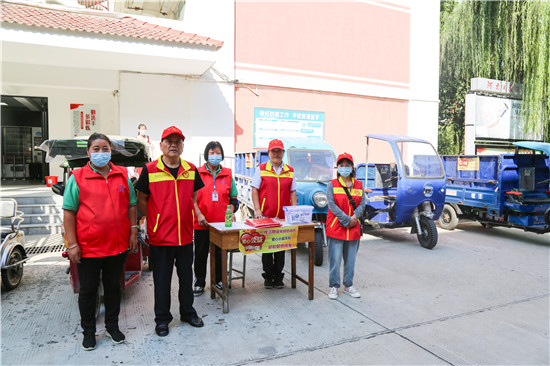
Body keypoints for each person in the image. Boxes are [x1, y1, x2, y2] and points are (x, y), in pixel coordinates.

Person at [62, 133, 138, 351]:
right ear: (88, 152)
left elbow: (132, 204)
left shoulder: (122, 175)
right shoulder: (77, 177)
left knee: (114, 288)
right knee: (88, 290)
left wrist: (133, 231)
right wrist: (72, 244)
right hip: (88, 248)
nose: (101, 153)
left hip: (117, 246)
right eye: (96, 149)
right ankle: (88, 331)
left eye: (105, 148)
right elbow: (68, 213)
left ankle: (112, 327)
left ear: (111, 151)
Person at [135, 126, 205, 337]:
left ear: (183, 145)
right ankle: (162, 319)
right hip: (161, 237)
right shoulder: (150, 169)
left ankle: (187, 313)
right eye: (169, 141)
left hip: (185, 235)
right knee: (162, 280)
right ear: (161, 145)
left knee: (186, 278)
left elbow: (192, 197)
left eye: (178, 141)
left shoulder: (191, 169)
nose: (174, 145)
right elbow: (141, 199)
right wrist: (154, 220)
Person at [193, 141, 239, 296]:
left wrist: (231, 211)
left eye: (217, 152)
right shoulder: (197, 173)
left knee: (220, 253)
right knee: (200, 254)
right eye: (211, 153)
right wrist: (199, 214)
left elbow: (233, 199)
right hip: (202, 222)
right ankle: (199, 282)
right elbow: (191, 199)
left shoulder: (227, 174)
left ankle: (218, 280)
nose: (214, 155)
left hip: (221, 225)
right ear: (206, 155)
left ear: (222, 155)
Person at [251, 139, 297, 289]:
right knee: (267, 249)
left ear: (283, 153)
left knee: (280, 248)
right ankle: (267, 276)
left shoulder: (290, 170)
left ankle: (278, 276)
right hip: (266, 217)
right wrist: (257, 210)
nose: (276, 154)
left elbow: (292, 192)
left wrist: (294, 212)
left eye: (279, 151)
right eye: (273, 151)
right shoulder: (261, 168)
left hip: (283, 218)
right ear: (269, 153)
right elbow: (254, 189)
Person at [326, 152, 367, 300]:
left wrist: (354, 217)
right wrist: (346, 219)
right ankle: (334, 287)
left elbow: (362, 203)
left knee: (350, 260)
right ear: (338, 168)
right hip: (337, 227)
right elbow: (332, 204)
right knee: (335, 260)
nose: (344, 168)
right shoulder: (332, 184)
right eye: (341, 165)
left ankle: (348, 285)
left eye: (347, 165)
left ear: (352, 167)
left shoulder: (359, 185)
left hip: (354, 228)